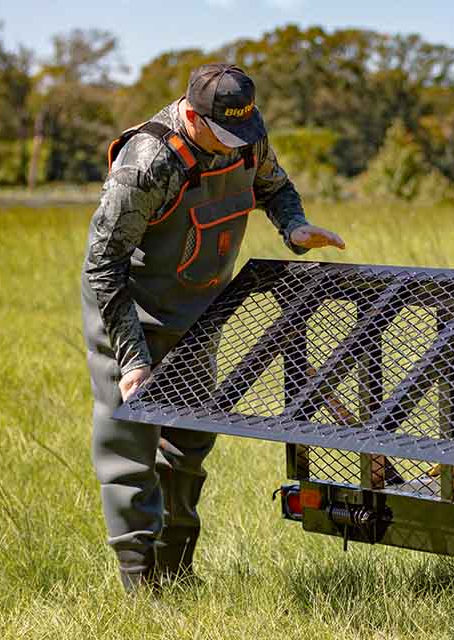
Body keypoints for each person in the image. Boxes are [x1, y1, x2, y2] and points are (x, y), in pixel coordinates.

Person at [81, 63, 345, 592]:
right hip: (134, 312)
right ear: (192, 113)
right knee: (129, 451)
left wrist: (294, 227)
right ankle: (140, 590)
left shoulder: (244, 133)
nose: (232, 147)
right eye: (220, 135)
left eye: (239, 135)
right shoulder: (149, 163)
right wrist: (133, 357)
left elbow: (273, 185)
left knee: (189, 443)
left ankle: (177, 572)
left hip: (200, 311)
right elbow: (102, 265)